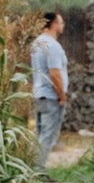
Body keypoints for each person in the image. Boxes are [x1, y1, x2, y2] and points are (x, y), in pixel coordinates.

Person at [27, 9, 70, 168]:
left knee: (40, 134)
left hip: (39, 93)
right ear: (54, 24)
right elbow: (55, 74)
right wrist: (62, 95)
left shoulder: (37, 43)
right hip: (51, 95)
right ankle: (38, 170)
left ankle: (32, 168)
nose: (63, 26)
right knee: (48, 135)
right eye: (61, 22)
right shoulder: (52, 46)